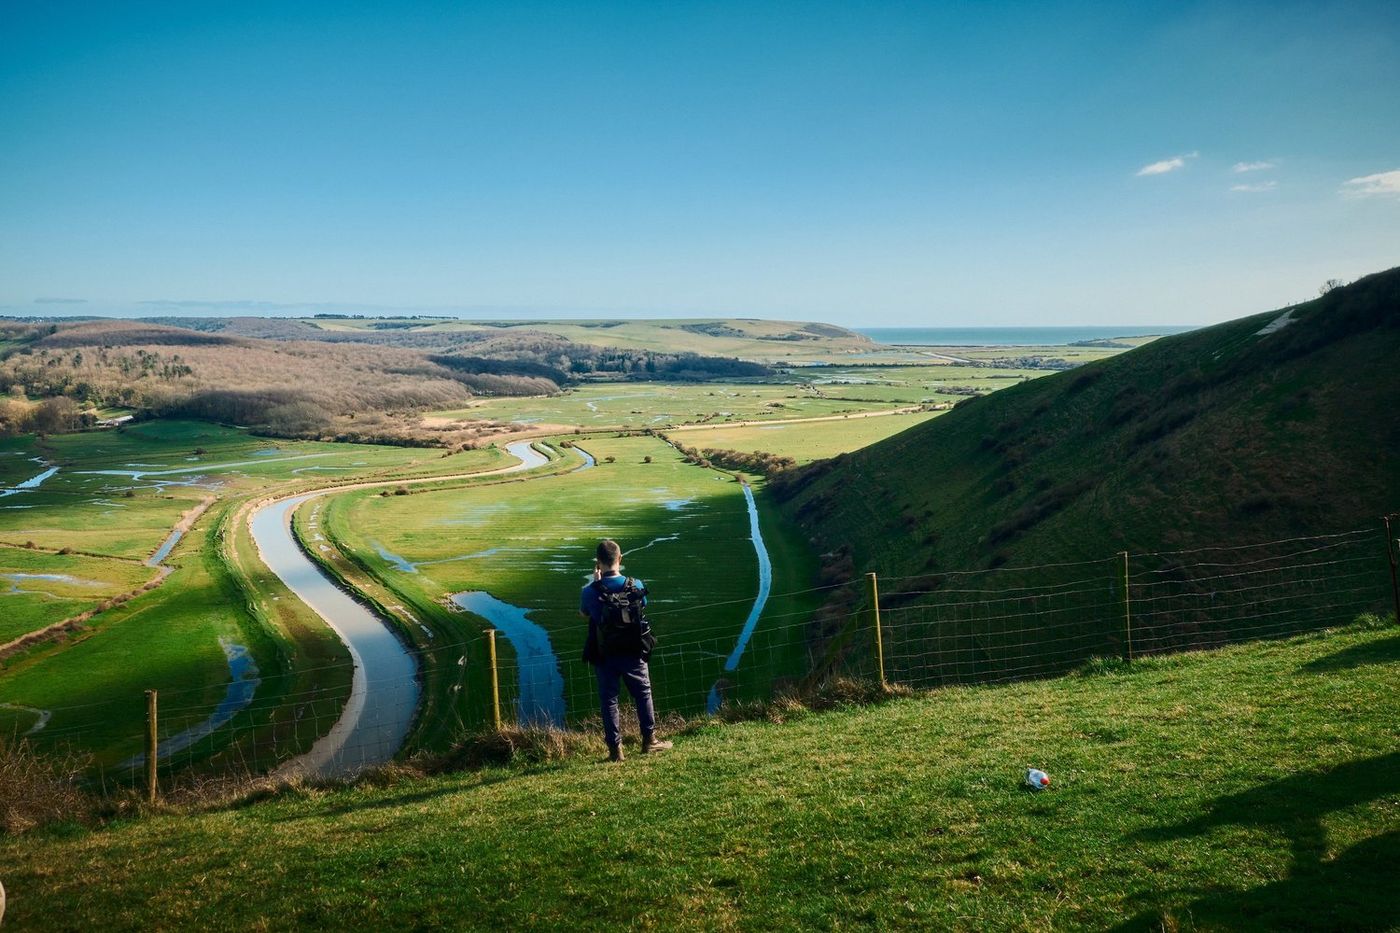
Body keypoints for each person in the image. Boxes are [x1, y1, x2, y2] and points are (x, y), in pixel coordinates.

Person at [580, 538, 673, 761]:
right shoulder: (637, 585)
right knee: (643, 694)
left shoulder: (589, 591)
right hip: (633, 650)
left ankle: (615, 751)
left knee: (609, 700)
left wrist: (596, 583)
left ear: (598, 563)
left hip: (605, 654)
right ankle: (649, 741)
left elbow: (585, 614)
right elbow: (643, 606)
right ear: (620, 560)